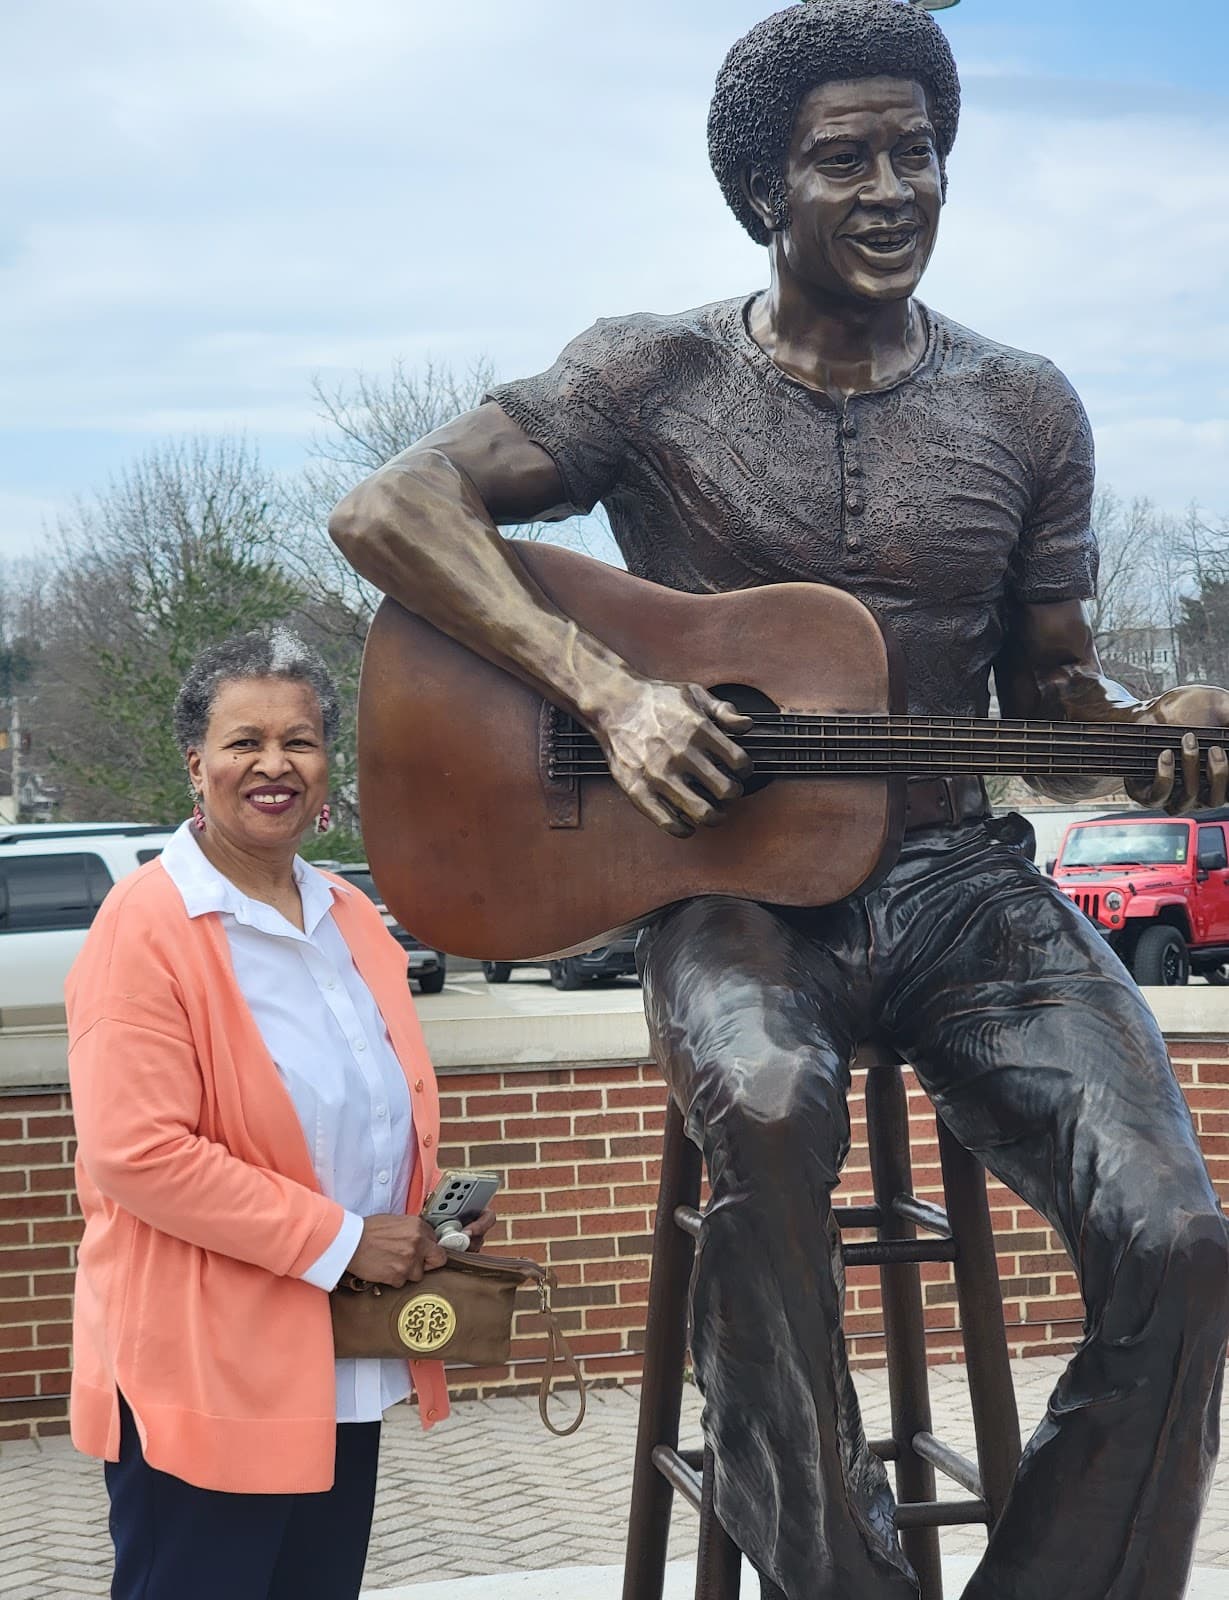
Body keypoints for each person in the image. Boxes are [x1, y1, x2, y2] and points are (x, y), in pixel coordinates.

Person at [327, 4, 1229, 1597]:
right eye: (844, 158)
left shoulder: (1026, 407)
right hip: (728, 895)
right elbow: (393, 506)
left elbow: (1051, 702)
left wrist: (1152, 735)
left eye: (919, 152)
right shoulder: (651, 370)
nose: (893, 188)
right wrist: (607, 688)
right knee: (758, 1105)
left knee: (1178, 1235)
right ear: (761, 192)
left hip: (961, 889)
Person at [66, 627, 493, 1600]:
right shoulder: (144, 927)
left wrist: (425, 1214)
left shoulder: (348, 912)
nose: (273, 764)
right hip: (204, 1375)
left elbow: (367, 1101)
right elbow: (138, 1154)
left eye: (298, 740)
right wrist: (344, 1239)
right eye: (243, 740)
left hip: (335, 1359)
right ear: (195, 762)